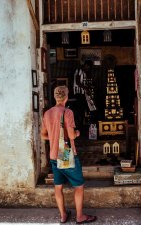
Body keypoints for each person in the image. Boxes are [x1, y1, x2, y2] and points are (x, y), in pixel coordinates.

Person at [41, 86, 97, 224]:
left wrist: (54, 138)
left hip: (53, 155)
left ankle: (63, 215)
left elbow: (43, 135)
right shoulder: (67, 112)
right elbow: (71, 134)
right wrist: (77, 133)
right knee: (78, 186)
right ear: (66, 97)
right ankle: (79, 217)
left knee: (58, 187)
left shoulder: (47, 113)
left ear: (55, 97)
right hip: (65, 154)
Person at [73, 60, 97, 129]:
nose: (88, 69)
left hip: (83, 93)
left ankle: (82, 125)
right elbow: (77, 82)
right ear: (86, 65)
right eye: (88, 67)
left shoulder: (84, 73)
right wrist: (86, 88)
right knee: (81, 109)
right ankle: (79, 126)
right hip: (78, 93)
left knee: (84, 109)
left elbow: (83, 84)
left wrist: (89, 87)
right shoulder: (79, 70)